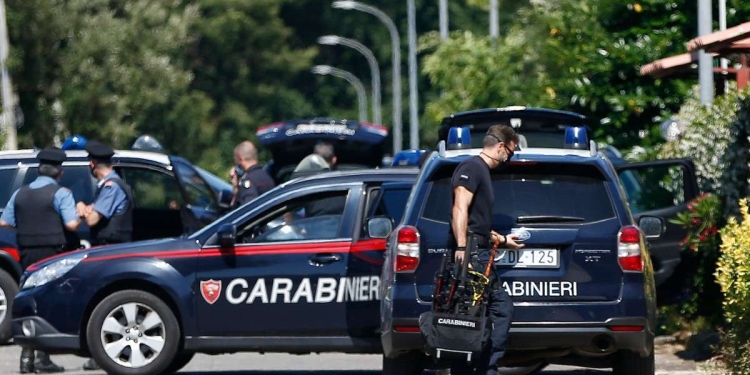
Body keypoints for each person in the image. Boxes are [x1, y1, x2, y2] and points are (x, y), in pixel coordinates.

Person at [448, 125, 525, 375]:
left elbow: (478, 225)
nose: (509, 159)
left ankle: (484, 368)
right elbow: (460, 209)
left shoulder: (481, 171)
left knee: (485, 314)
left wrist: (503, 240)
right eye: (510, 153)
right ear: (501, 147)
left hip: (480, 252)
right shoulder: (472, 168)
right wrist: (462, 249)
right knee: (472, 317)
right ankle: (480, 369)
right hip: (472, 255)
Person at [0, 147, 79, 373]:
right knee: (48, 303)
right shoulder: (61, 193)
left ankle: (26, 358)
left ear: (38, 169)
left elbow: (5, 222)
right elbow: (72, 225)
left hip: (26, 254)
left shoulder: (21, 193)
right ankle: (43, 359)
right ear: (60, 173)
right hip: (52, 255)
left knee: (29, 302)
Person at [75, 140, 134, 371]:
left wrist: (82, 209)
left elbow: (92, 219)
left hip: (112, 250)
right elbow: (96, 210)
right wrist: (87, 206)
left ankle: (106, 353)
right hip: (114, 249)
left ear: (92, 164)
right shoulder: (111, 185)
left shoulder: (111, 187)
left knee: (108, 303)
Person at [229, 141, 275, 209]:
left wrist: (235, 189)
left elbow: (247, 209)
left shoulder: (248, 181)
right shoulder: (267, 175)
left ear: (240, 158)